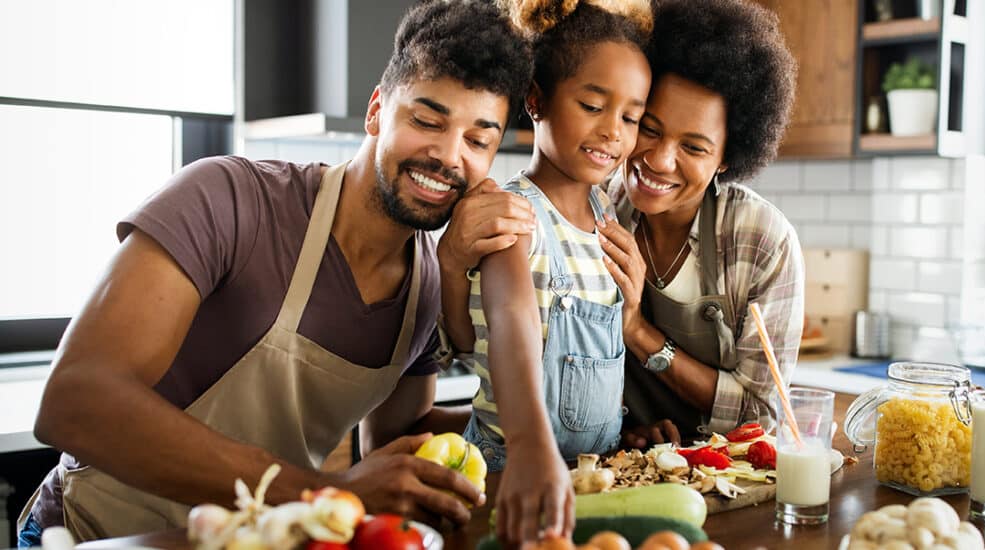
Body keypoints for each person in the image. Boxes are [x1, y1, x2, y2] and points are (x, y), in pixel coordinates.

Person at [17, 1, 533, 545]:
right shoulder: (230, 198)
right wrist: (318, 491)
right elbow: (75, 403)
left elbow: (397, 442)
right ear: (378, 111)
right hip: (97, 534)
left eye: (478, 140)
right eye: (427, 121)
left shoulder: (427, 284)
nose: (449, 156)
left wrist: (544, 426)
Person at [439, 0, 652, 543]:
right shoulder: (512, 213)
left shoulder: (609, 218)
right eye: (592, 105)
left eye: (630, 117)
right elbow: (512, 321)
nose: (613, 132)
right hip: (510, 465)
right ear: (536, 101)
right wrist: (533, 447)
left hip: (589, 473)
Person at [594, 0, 804, 448]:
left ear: (727, 158)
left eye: (693, 147)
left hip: (730, 472)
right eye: (649, 128)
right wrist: (620, 427)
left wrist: (637, 331)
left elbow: (763, 415)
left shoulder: (762, 240)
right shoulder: (597, 207)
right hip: (622, 463)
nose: (659, 160)